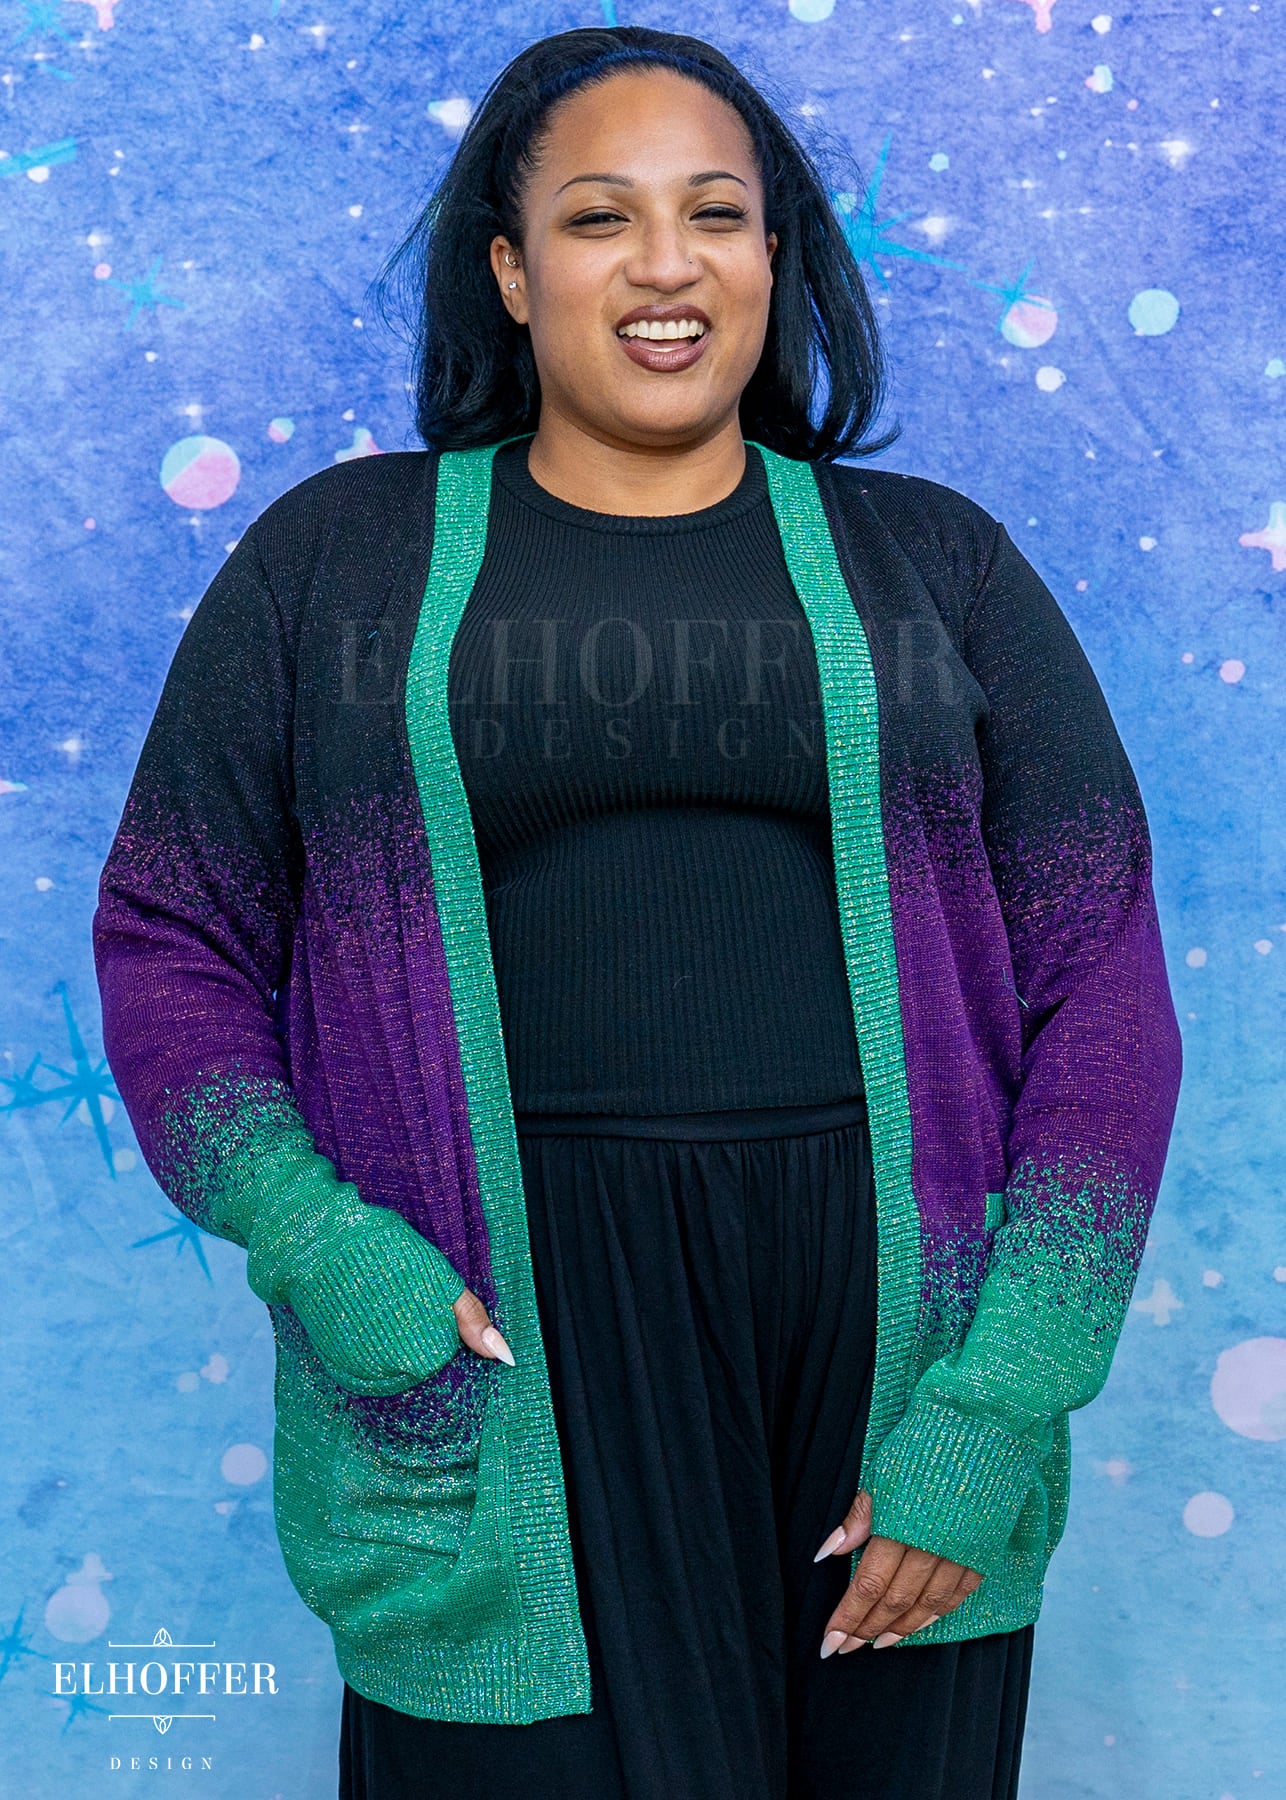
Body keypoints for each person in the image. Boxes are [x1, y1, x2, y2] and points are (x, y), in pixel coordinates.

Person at [91, 24, 1183, 1800]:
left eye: (716, 216)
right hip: (503, 1331)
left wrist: (1001, 1394)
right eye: (601, 218)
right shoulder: (334, 562)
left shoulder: (938, 563)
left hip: (891, 1346)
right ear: (513, 273)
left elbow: (1102, 981)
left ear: (773, 259)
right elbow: (172, 939)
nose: (667, 266)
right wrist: (317, 1243)